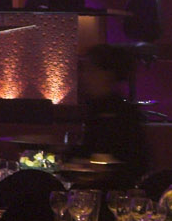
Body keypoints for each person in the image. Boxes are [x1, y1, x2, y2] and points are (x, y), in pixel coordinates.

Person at [61, 43, 148, 189]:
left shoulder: (122, 113)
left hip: (113, 192)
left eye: (91, 70)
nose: (84, 76)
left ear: (107, 74)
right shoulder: (94, 108)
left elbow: (138, 162)